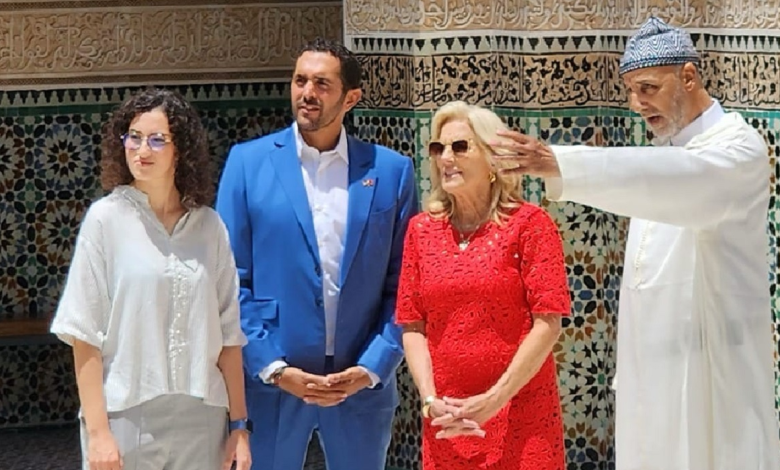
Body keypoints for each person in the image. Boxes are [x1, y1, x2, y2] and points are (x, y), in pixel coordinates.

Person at [493, 16, 780, 470]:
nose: (637, 104)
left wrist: (562, 162)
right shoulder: (664, 155)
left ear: (689, 77)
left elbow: (687, 178)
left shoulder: (737, 149)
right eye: (630, 91)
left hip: (715, 376)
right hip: (654, 375)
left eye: (648, 88)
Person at [216, 37, 418, 470]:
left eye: (322, 84)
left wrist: (372, 366)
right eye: (300, 81)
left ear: (351, 98)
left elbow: (406, 284)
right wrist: (272, 366)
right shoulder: (247, 164)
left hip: (359, 385)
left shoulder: (390, 172)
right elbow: (229, 280)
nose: (307, 93)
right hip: (271, 383)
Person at [50, 88, 251, 470]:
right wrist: (98, 432)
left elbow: (229, 336)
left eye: (158, 140)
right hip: (125, 416)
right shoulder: (104, 220)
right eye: (134, 137)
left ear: (181, 150)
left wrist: (239, 427)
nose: (142, 150)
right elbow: (84, 334)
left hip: (203, 418)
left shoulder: (209, 227)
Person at [395, 100, 570, 470]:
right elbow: (412, 325)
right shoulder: (420, 231)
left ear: (493, 161)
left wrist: (494, 400)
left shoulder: (531, 225)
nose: (446, 158)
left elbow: (548, 322)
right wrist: (430, 400)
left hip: (521, 417)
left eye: (460, 147)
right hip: (447, 420)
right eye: (438, 148)